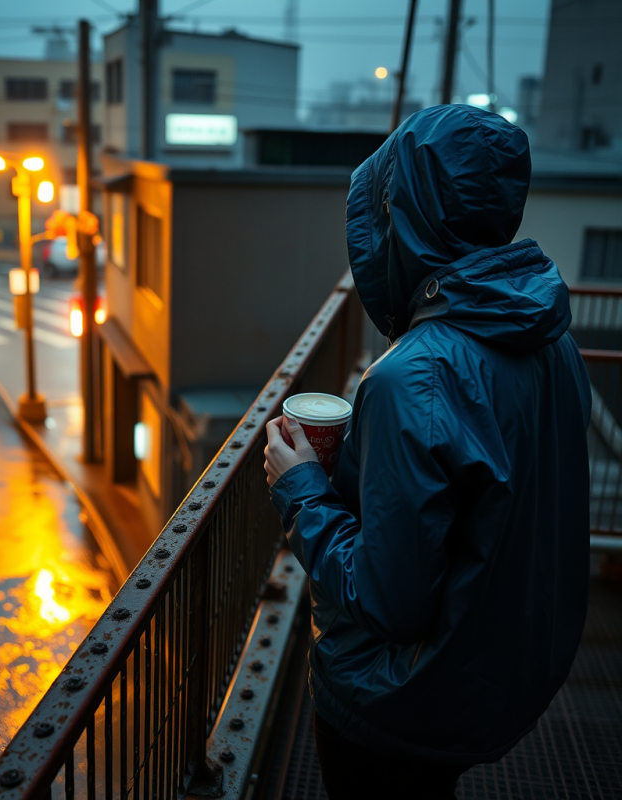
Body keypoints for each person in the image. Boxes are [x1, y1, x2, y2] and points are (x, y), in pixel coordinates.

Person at [264, 104, 591, 800]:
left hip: (406, 699)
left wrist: (301, 489)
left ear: (396, 215)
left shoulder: (410, 377)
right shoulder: (554, 340)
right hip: (504, 669)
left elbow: (387, 602)